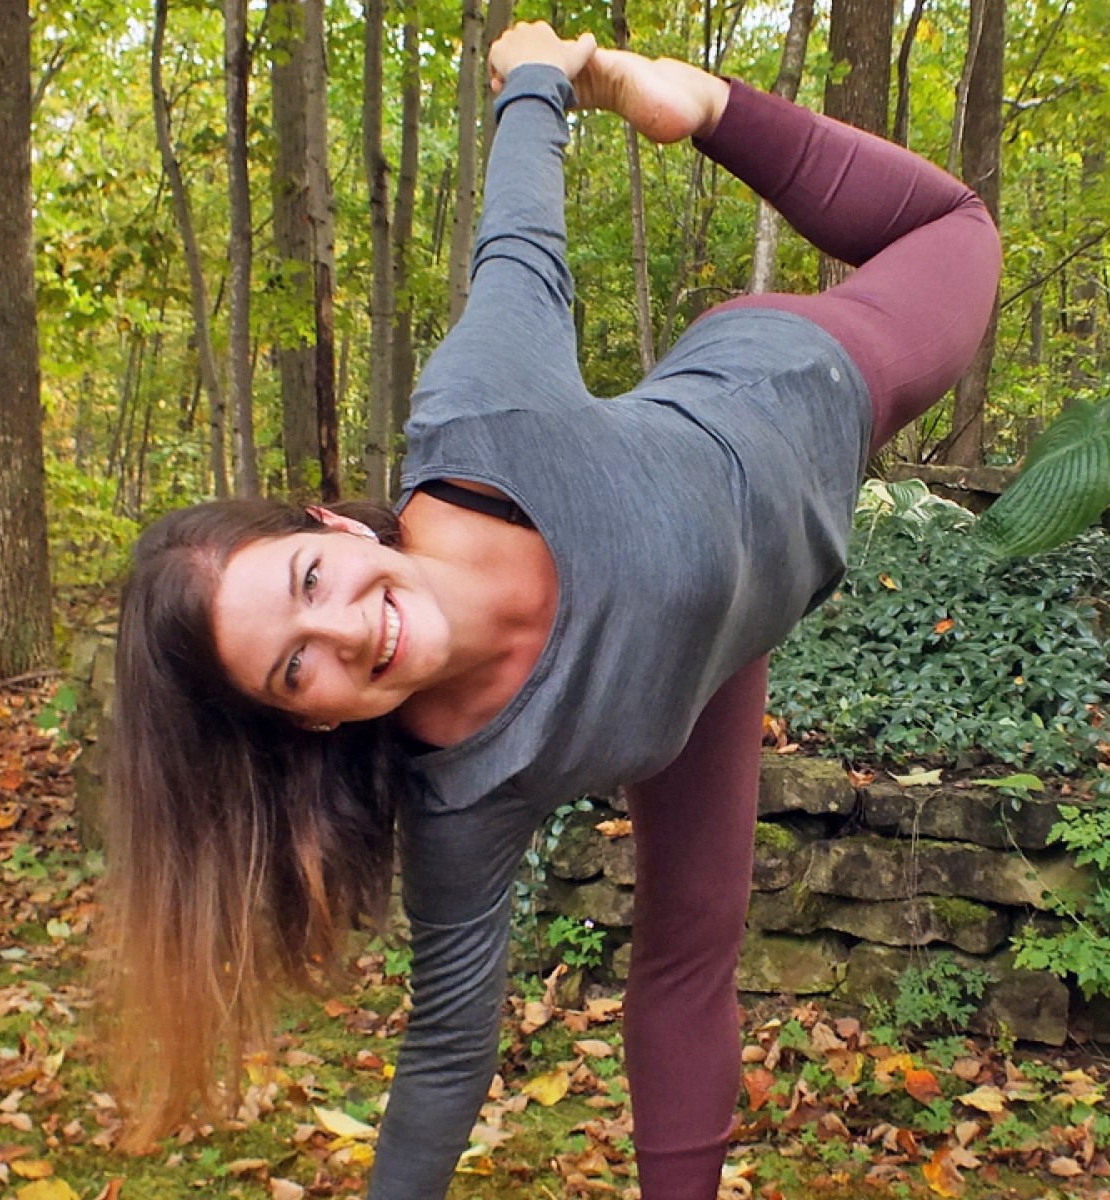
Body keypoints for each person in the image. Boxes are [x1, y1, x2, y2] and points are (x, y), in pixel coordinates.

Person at [101, 22, 1000, 1200]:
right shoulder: (462, 794)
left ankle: (704, 103)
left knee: (959, 228)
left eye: (308, 583)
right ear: (307, 721)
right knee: (690, 947)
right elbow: (445, 1052)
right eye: (294, 669)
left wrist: (542, 79)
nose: (344, 631)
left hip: (793, 387)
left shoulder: (484, 417)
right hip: (712, 659)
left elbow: (516, 243)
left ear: (332, 527)